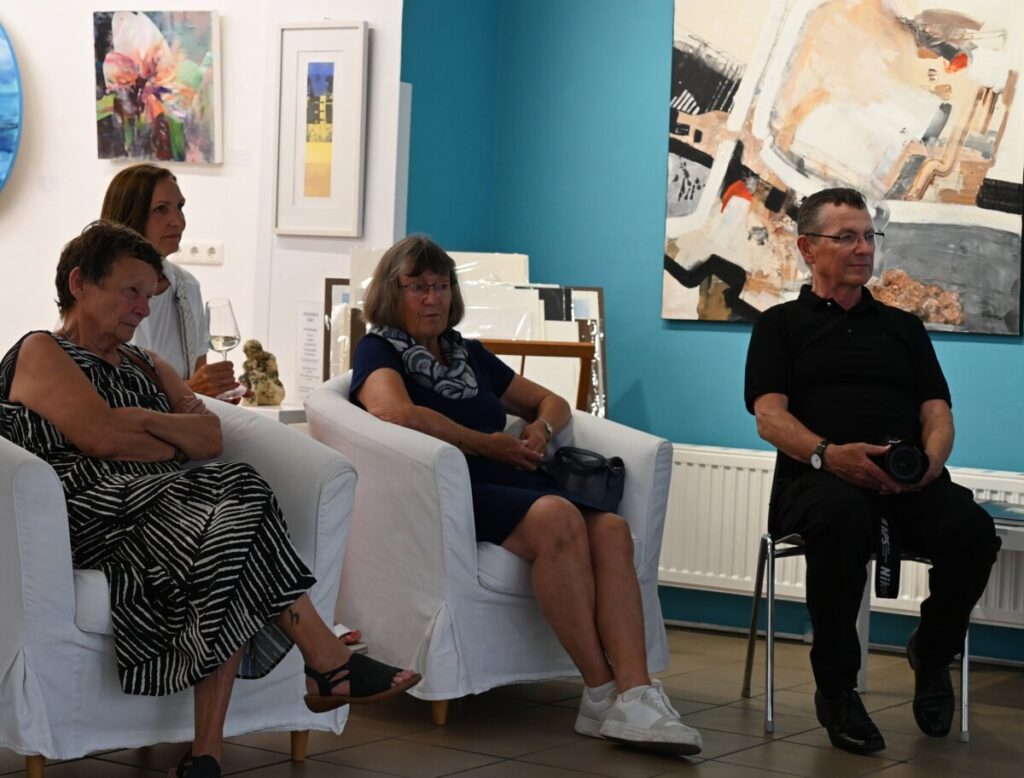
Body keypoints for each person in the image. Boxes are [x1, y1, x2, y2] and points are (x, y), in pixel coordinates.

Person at [0, 221, 420, 778]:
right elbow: (100, 439)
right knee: (239, 489)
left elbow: (210, 438)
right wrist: (161, 430)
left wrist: (140, 422)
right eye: (131, 291)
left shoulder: (150, 365)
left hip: (168, 510)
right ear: (79, 283)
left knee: (231, 529)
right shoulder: (43, 350)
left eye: (149, 295)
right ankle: (326, 661)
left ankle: (207, 756)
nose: (143, 308)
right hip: (84, 515)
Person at [350, 235, 703, 755]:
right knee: (557, 516)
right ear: (391, 292)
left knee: (611, 529)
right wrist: (481, 443)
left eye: (441, 286)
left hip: (508, 474)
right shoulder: (378, 349)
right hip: (452, 487)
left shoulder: (467, 353)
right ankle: (600, 691)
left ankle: (636, 694)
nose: (432, 298)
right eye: (418, 287)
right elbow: (392, 412)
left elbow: (552, 400)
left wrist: (539, 428)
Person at [744, 188, 1000, 755]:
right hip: (818, 479)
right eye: (847, 237)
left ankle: (931, 653)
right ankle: (837, 690)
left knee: (973, 531)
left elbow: (937, 413)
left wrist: (931, 465)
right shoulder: (780, 325)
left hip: (908, 480)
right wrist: (829, 454)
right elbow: (769, 417)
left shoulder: (903, 328)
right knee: (841, 516)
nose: (864, 248)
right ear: (808, 248)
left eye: (868, 236)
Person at [101, 163, 237, 399]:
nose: (178, 221)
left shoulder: (187, 287)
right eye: (161, 209)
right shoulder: (97, 291)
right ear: (129, 216)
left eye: (180, 207)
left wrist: (217, 394)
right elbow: (97, 397)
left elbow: (198, 381)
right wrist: (188, 392)